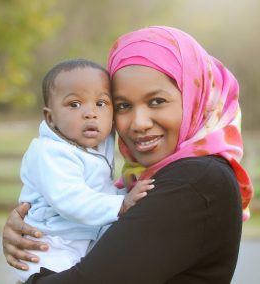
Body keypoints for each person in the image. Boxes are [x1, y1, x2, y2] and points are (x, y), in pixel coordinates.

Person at [3, 26, 254, 284]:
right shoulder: (150, 179)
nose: (138, 123)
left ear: (195, 99)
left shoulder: (196, 179)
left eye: (156, 101)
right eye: (123, 106)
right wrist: (39, 226)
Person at [13, 58, 154, 282]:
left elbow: (100, 190)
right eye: (74, 104)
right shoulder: (49, 152)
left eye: (101, 103)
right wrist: (122, 203)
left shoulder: (95, 143)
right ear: (50, 118)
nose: (90, 113)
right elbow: (71, 199)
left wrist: (123, 195)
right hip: (51, 246)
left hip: (83, 238)